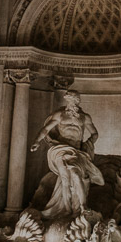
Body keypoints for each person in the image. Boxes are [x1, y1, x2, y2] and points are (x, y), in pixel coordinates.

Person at [30, 91, 104, 220]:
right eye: (70, 100)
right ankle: (67, 209)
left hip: (76, 151)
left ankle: (83, 205)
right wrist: (37, 141)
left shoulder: (85, 117)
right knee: (65, 179)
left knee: (75, 174)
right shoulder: (59, 115)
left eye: (74, 99)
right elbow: (46, 129)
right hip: (61, 149)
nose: (72, 102)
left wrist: (88, 145)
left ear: (78, 101)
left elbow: (95, 134)